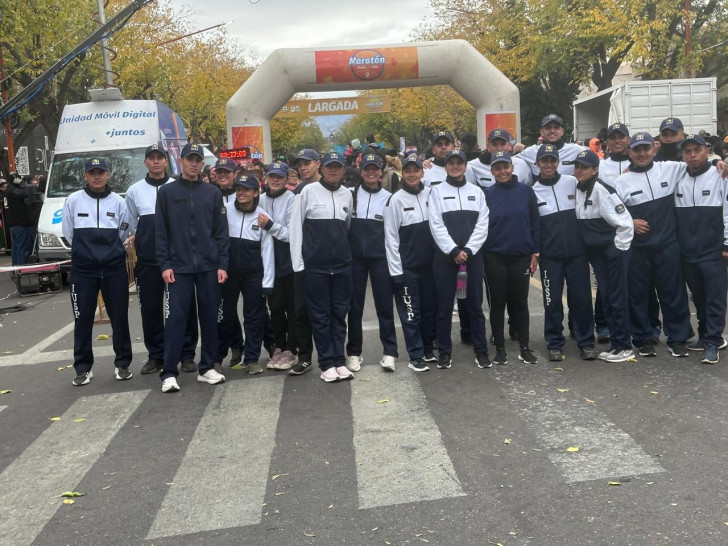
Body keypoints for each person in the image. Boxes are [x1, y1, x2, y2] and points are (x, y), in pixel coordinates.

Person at [155, 143, 229, 393]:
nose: (194, 164)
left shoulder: (212, 193)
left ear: (202, 164)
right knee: (175, 319)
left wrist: (222, 264)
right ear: (181, 161)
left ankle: (207, 367)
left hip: (209, 267)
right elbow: (161, 233)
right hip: (178, 267)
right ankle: (168, 372)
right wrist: (164, 264)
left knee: (209, 318)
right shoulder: (166, 193)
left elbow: (221, 233)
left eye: (198, 160)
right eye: (190, 159)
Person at [614, 132, 692, 357]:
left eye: (645, 148)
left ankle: (677, 339)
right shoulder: (621, 181)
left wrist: (720, 162)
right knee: (638, 295)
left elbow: (698, 162)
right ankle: (642, 338)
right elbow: (612, 213)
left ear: (654, 149)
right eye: (636, 149)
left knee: (673, 293)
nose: (641, 153)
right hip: (638, 249)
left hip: (668, 246)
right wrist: (630, 220)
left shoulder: (670, 168)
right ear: (630, 152)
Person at [125, 144, 199, 375]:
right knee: (150, 310)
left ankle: (187, 354)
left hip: (178, 261)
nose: (156, 162)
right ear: (145, 162)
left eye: (160, 158)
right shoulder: (134, 191)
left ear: (167, 162)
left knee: (184, 309)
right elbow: (130, 224)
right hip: (148, 261)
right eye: (152, 158)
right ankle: (156, 356)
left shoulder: (177, 187)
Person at [62, 158, 132, 386]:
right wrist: (86, 253)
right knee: (82, 319)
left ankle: (122, 364)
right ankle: (82, 368)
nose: (97, 176)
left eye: (101, 172)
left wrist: (109, 252)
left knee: (119, 318)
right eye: (92, 173)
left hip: (113, 270)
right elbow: (68, 233)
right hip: (83, 271)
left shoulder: (118, 202)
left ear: (108, 174)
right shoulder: (73, 200)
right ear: (85, 176)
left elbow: (123, 232)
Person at [289, 151, 354, 382]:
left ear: (343, 170)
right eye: (329, 166)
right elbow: (295, 227)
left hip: (342, 267)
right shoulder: (307, 192)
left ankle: (339, 360)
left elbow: (346, 228)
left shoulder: (347, 195)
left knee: (338, 314)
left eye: (337, 167)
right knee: (320, 316)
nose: (333, 170)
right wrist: (299, 264)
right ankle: (326, 362)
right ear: (322, 167)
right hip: (315, 267)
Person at [532, 144, 597, 361]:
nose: (549, 164)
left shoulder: (571, 182)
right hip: (550, 257)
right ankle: (554, 342)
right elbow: (534, 226)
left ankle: (586, 341)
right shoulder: (533, 191)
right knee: (552, 302)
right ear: (538, 163)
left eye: (552, 160)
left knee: (582, 299)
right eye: (544, 160)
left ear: (558, 162)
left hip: (577, 254)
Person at [429, 148, 490, 369]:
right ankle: (445, 351)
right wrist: (453, 251)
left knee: (474, 305)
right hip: (446, 259)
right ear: (445, 166)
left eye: (459, 162)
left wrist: (470, 251)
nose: (455, 166)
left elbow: (483, 224)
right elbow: (435, 224)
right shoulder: (436, 192)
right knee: (444, 306)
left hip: (471, 259)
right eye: (451, 162)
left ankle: (481, 350)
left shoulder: (477, 192)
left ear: (465, 166)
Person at [573, 150, 635, 362]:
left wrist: (617, 250)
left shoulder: (602, 190)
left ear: (595, 170)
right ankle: (616, 345)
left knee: (616, 298)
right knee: (608, 298)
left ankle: (624, 346)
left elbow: (625, 223)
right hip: (597, 255)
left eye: (584, 167)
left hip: (611, 253)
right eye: (577, 166)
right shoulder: (580, 189)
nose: (579, 170)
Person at [483, 151, 541, 365]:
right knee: (497, 303)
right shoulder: (487, 194)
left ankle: (524, 347)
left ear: (512, 167)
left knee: (520, 302)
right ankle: (499, 348)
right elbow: (481, 227)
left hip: (521, 256)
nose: (502, 171)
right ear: (492, 171)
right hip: (495, 256)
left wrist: (535, 251)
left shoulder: (526, 191)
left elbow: (535, 222)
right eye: (497, 168)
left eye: (505, 166)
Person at [675, 134, 728, 363]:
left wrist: (726, 243)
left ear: (707, 150)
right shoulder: (677, 177)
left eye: (697, 150)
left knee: (715, 297)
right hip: (688, 252)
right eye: (687, 151)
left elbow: (727, 211)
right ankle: (705, 333)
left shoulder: (720, 175)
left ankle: (713, 342)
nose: (692, 155)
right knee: (699, 297)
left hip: (713, 251)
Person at [345, 152, 397, 372]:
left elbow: (392, 232)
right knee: (354, 308)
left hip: (380, 259)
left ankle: (390, 352)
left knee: (384, 307)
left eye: (375, 168)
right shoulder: (349, 194)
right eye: (367, 168)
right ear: (361, 171)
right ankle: (354, 353)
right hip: (355, 260)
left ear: (381, 171)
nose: (371, 172)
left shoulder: (389, 197)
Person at [384, 154, 437, 372]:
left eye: (416, 170)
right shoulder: (395, 200)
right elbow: (390, 237)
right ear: (402, 173)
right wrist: (396, 271)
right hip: (407, 268)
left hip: (431, 266)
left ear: (422, 172)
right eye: (408, 171)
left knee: (429, 310)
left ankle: (427, 349)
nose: (413, 174)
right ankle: (415, 354)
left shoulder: (432, 194)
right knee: (411, 313)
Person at [222, 174, 274, 374]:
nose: (241, 192)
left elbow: (267, 252)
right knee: (226, 315)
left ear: (255, 192)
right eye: (238, 188)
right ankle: (229, 352)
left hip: (254, 275)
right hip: (229, 274)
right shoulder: (225, 211)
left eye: (246, 189)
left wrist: (267, 282)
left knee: (253, 317)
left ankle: (252, 359)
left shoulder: (262, 216)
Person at [258, 161, 298, 370]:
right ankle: (279, 347)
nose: (275, 180)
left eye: (279, 177)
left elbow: (291, 234)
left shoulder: (292, 199)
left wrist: (271, 226)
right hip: (267, 261)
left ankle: (292, 348)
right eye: (272, 176)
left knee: (291, 307)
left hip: (288, 261)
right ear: (266, 178)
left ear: (286, 179)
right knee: (274, 307)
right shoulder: (261, 199)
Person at [287, 149, 320, 376]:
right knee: (301, 311)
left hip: (328, 262)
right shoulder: (299, 191)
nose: (303, 167)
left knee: (330, 312)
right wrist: (298, 262)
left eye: (307, 163)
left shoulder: (335, 188)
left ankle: (335, 354)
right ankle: (305, 356)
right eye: (300, 164)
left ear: (318, 163)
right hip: (303, 262)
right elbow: (294, 229)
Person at [517, 114, 587, 177]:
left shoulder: (576, 150)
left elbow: (595, 162)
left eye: (556, 127)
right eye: (548, 128)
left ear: (562, 131)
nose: (552, 130)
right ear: (541, 132)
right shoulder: (531, 151)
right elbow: (512, 161)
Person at [466, 129, 532, 188]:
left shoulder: (521, 165)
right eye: (494, 144)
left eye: (503, 144)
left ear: (509, 145)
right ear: (488, 146)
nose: (499, 148)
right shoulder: (473, 166)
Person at [4, 173, 38, 266]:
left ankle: (16, 266)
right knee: (23, 247)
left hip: (14, 223)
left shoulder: (7, 190)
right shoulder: (14, 191)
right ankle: (22, 267)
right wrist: (22, 183)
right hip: (20, 223)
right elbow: (27, 192)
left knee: (16, 247)